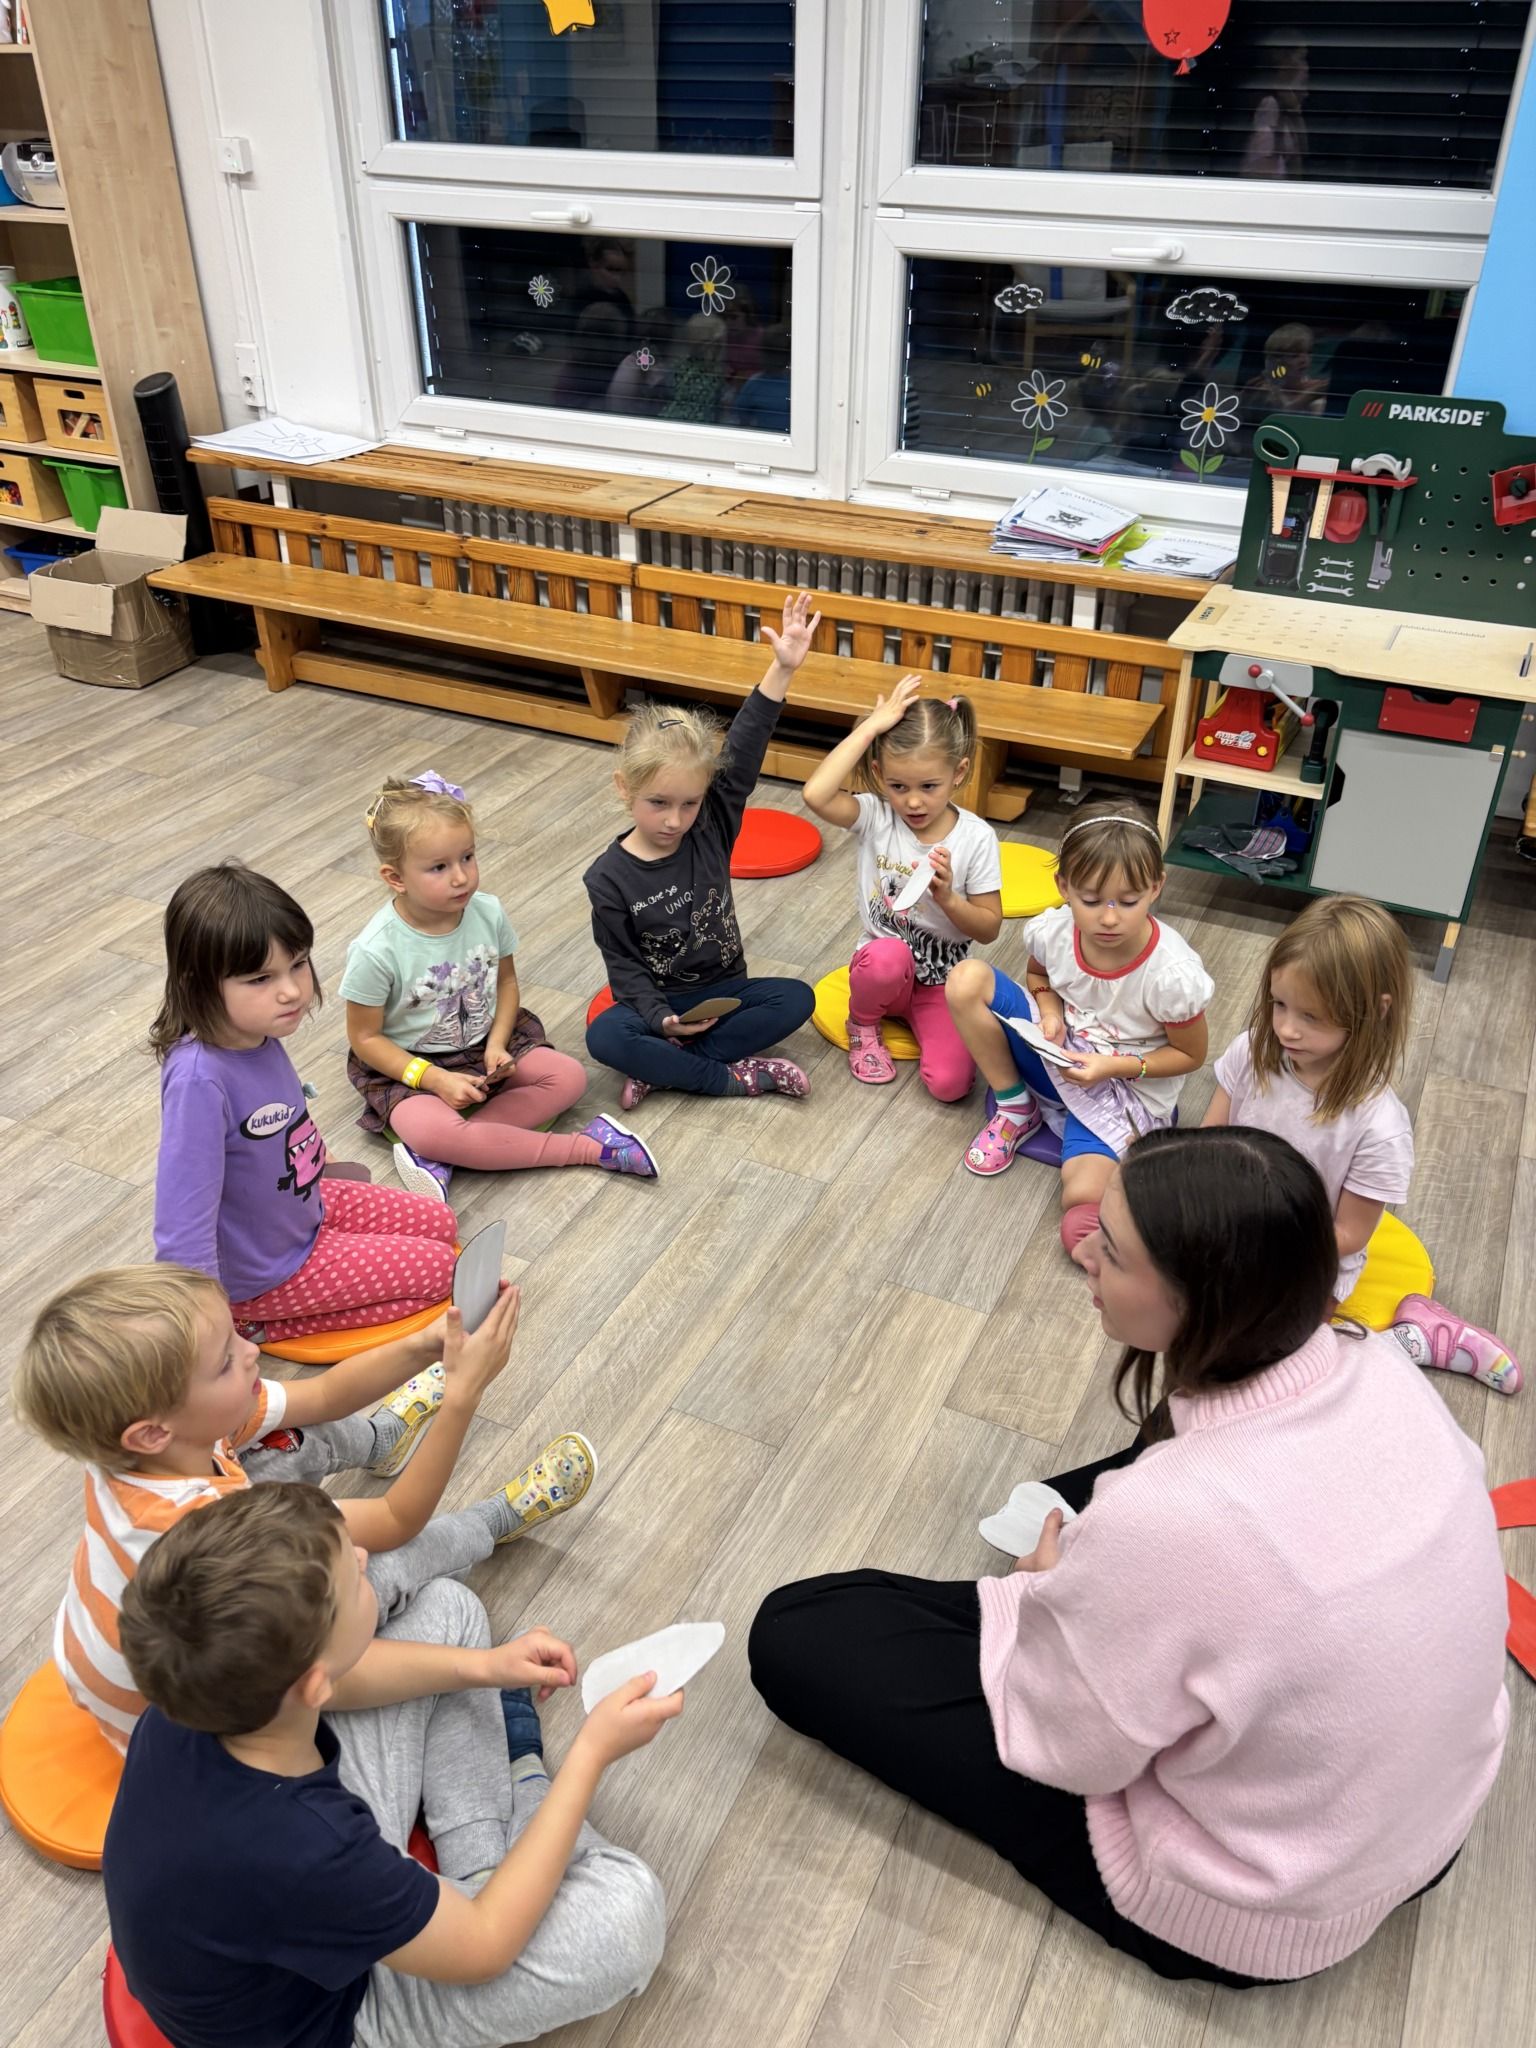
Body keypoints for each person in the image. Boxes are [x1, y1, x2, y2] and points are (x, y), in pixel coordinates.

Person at [749, 1127, 1510, 1986]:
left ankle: (1064, 1598)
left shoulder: (1171, 1522)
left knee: (800, 1628)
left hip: (1269, 1901)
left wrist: (1040, 1597)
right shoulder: (1384, 1369)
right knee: (1085, 1508)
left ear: (1201, 1299)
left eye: (1110, 1253)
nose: (1085, 1261)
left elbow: (1073, 1748)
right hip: (1424, 1816)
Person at [104, 1483, 676, 2048]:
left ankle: (481, 1864)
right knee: (627, 1916)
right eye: (352, 1577)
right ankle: (527, 1783)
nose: (363, 1557)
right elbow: (485, 1947)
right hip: (337, 2014)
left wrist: (487, 1668)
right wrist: (589, 1756)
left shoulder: (192, 1700)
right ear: (314, 1684)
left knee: (450, 1610)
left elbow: (338, 1682)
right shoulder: (310, 1850)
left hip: (278, 1907)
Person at [15, 1260, 594, 1753]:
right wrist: (462, 1395)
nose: (252, 1350)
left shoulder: (144, 1446)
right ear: (151, 1431)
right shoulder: (208, 1535)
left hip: (128, 1654)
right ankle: (490, 1523)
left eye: (236, 1335)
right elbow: (395, 1520)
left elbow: (322, 1394)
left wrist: (428, 1345)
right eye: (225, 1361)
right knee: (389, 1562)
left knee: (291, 1433)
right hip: (195, 1718)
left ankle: (382, 1438)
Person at [1206, 892, 1521, 1391]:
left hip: (1308, 1256)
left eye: (1311, 1016)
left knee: (1279, 1372)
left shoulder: (1379, 1127)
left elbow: (1349, 1234)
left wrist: (1259, 1240)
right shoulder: (1252, 1053)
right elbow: (1208, 1143)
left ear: (1374, 1010)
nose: (1286, 1028)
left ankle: (1415, 1339)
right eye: (1279, 1004)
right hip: (1235, 1229)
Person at [151, 863, 458, 1343]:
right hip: (269, 1270)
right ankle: (252, 1320)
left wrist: (324, 1163)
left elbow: (280, 1123)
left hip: (306, 1206)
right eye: (260, 978)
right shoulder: (199, 1081)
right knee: (443, 1270)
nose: (292, 990)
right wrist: (204, 1325)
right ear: (199, 983)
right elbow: (181, 1224)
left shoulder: (257, 1032)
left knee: (441, 1221)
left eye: (298, 964)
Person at [342, 769, 656, 1201]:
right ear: (395, 878)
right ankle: (589, 1148)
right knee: (429, 1129)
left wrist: (497, 1043)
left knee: (569, 1078)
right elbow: (365, 1039)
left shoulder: (487, 911)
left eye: (467, 857)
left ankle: (449, 1151)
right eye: (439, 867)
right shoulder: (375, 949)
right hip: (410, 1063)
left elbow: (506, 982)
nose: (461, 877)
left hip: (485, 1043)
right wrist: (432, 1079)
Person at [583, 592, 820, 1107]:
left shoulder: (711, 825)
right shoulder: (606, 878)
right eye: (658, 803)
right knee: (604, 1037)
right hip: (658, 1004)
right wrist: (659, 1019)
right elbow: (623, 966)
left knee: (798, 999)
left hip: (726, 994)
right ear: (625, 788)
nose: (675, 820)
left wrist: (782, 670)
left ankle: (667, 1068)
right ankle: (729, 1077)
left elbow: (746, 746)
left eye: (689, 803)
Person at [946, 801, 1212, 1250]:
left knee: (1083, 1197)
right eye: (1090, 900)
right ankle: (1016, 1105)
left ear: (1156, 888)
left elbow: (1190, 1055)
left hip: (1123, 1088)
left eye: (1128, 901)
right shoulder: (1054, 931)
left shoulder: (1171, 974)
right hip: (1057, 1053)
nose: (1108, 917)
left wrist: (1113, 1067)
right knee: (966, 979)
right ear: (1063, 886)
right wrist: (1049, 1012)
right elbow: (1038, 976)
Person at [802, 673, 1001, 1097]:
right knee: (888, 956)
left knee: (951, 1086)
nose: (912, 801)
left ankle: (914, 1022)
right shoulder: (876, 815)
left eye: (929, 786)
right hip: (884, 973)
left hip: (940, 983)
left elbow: (989, 928)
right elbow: (816, 794)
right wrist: (870, 729)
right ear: (879, 773)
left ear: (959, 772)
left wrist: (949, 899)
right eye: (898, 786)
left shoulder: (976, 837)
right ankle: (863, 1024)